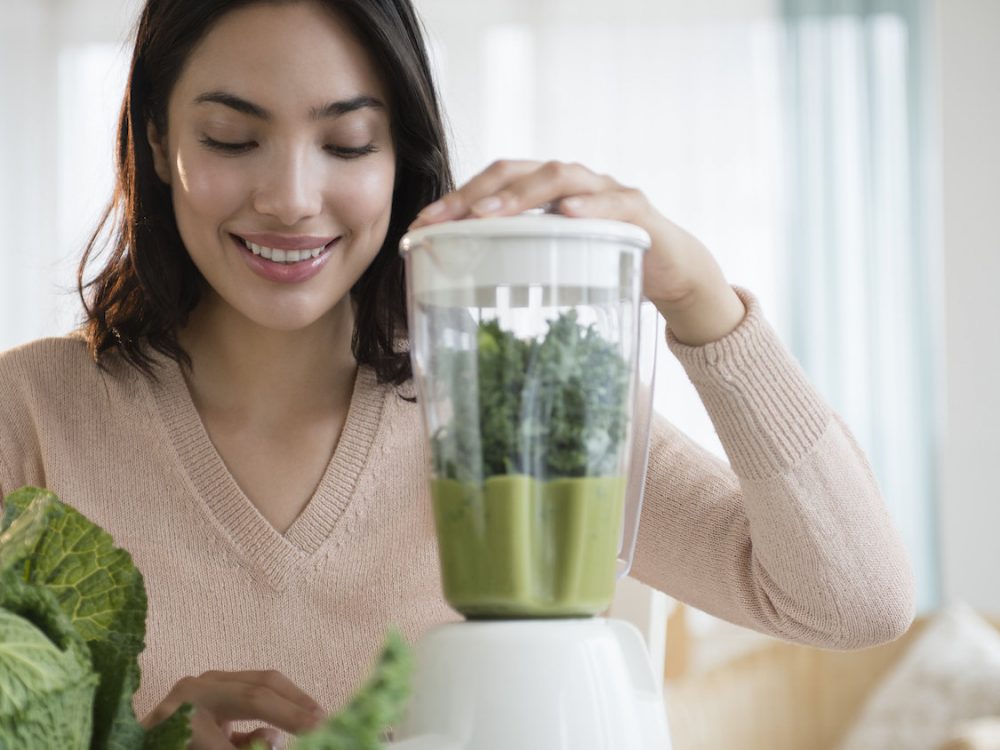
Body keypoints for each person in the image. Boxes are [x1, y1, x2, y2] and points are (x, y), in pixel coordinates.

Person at [0, 0, 915, 747]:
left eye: (349, 144)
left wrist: (699, 298)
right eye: (233, 140)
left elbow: (853, 601)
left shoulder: (509, 406)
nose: (288, 197)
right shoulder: (33, 414)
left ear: (404, 158)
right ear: (159, 145)